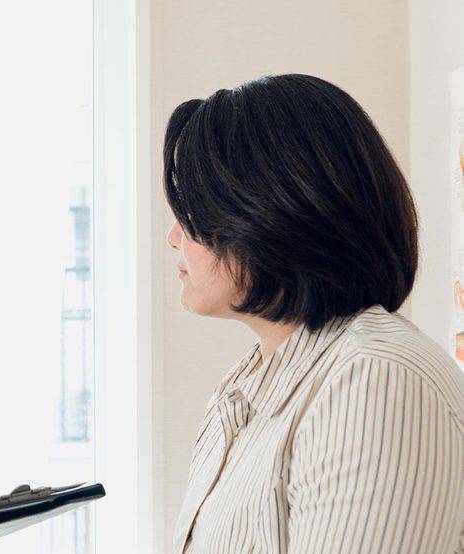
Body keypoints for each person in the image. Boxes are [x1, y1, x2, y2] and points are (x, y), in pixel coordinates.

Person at [164, 74, 464, 552]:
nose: (174, 237)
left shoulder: (376, 382)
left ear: (269, 212)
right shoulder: (249, 385)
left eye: (191, 211)